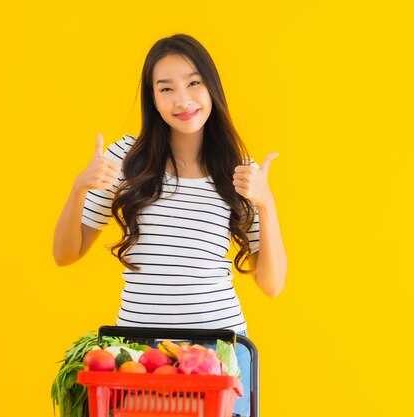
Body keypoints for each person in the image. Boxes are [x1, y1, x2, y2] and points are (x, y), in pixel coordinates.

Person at [52, 33, 287, 417]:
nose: (183, 100)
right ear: (153, 99)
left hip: (219, 352)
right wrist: (80, 186)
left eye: (194, 83)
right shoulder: (124, 158)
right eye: (166, 88)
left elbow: (272, 284)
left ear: (211, 87)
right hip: (138, 354)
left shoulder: (241, 171)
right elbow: (65, 253)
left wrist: (267, 203)